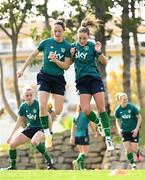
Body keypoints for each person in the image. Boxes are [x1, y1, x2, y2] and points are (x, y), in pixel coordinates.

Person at [17, 18, 71, 149]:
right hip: (44, 77)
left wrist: (55, 60)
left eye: (59, 31)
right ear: (52, 31)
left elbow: (66, 66)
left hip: (58, 80)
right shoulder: (46, 43)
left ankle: (51, 105)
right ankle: (47, 134)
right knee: (42, 106)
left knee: (57, 111)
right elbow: (32, 55)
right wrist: (22, 69)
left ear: (63, 31)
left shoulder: (68, 46)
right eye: (55, 31)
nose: (57, 33)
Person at [70, 16, 114, 151]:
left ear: (88, 37)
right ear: (77, 38)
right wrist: (71, 55)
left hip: (94, 79)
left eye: (84, 38)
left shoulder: (92, 46)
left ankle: (108, 139)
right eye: (80, 38)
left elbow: (105, 62)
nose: (82, 41)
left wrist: (99, 51)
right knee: (86, 109)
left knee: (101, 108)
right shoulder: (73, 47)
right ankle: (99, 123)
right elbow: (69, 63)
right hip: (81, 82)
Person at [1, 87, 54, 170]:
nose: (29, 97)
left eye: (30, 95)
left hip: (41, 128)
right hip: (30, 128)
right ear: (23, 97)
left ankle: (49, 161)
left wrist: (50, 131)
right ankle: (13, 167)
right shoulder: (22, 107)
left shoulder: (39, 105)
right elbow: (18, 122)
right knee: (12, 144)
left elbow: (48, 117)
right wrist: (11, 136)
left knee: (34, 141)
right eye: (27, 95)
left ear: (33, 95)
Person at [114, 92, 142, 169]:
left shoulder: (132, 108)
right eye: (124, 99)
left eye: (126, 99)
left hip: (133, 130)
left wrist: (136, 129)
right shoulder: (117, 110)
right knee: (127, 149)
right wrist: (119, 129)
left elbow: (139, 117)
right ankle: (133, 165)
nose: (126, 100)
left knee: (133, 148)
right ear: (119, 101)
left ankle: (138, 152)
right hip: (124, 131)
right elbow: (117, 120)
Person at [70, 105, 97, 170]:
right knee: (85, 152)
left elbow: (72, 128)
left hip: (77, 136)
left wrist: (72, 136)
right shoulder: (86, 115)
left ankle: (81, 168)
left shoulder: (75, 116)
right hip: (84, 135)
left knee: (81, 152)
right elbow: (91, 124)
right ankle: (76, 161)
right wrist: (95, 132)